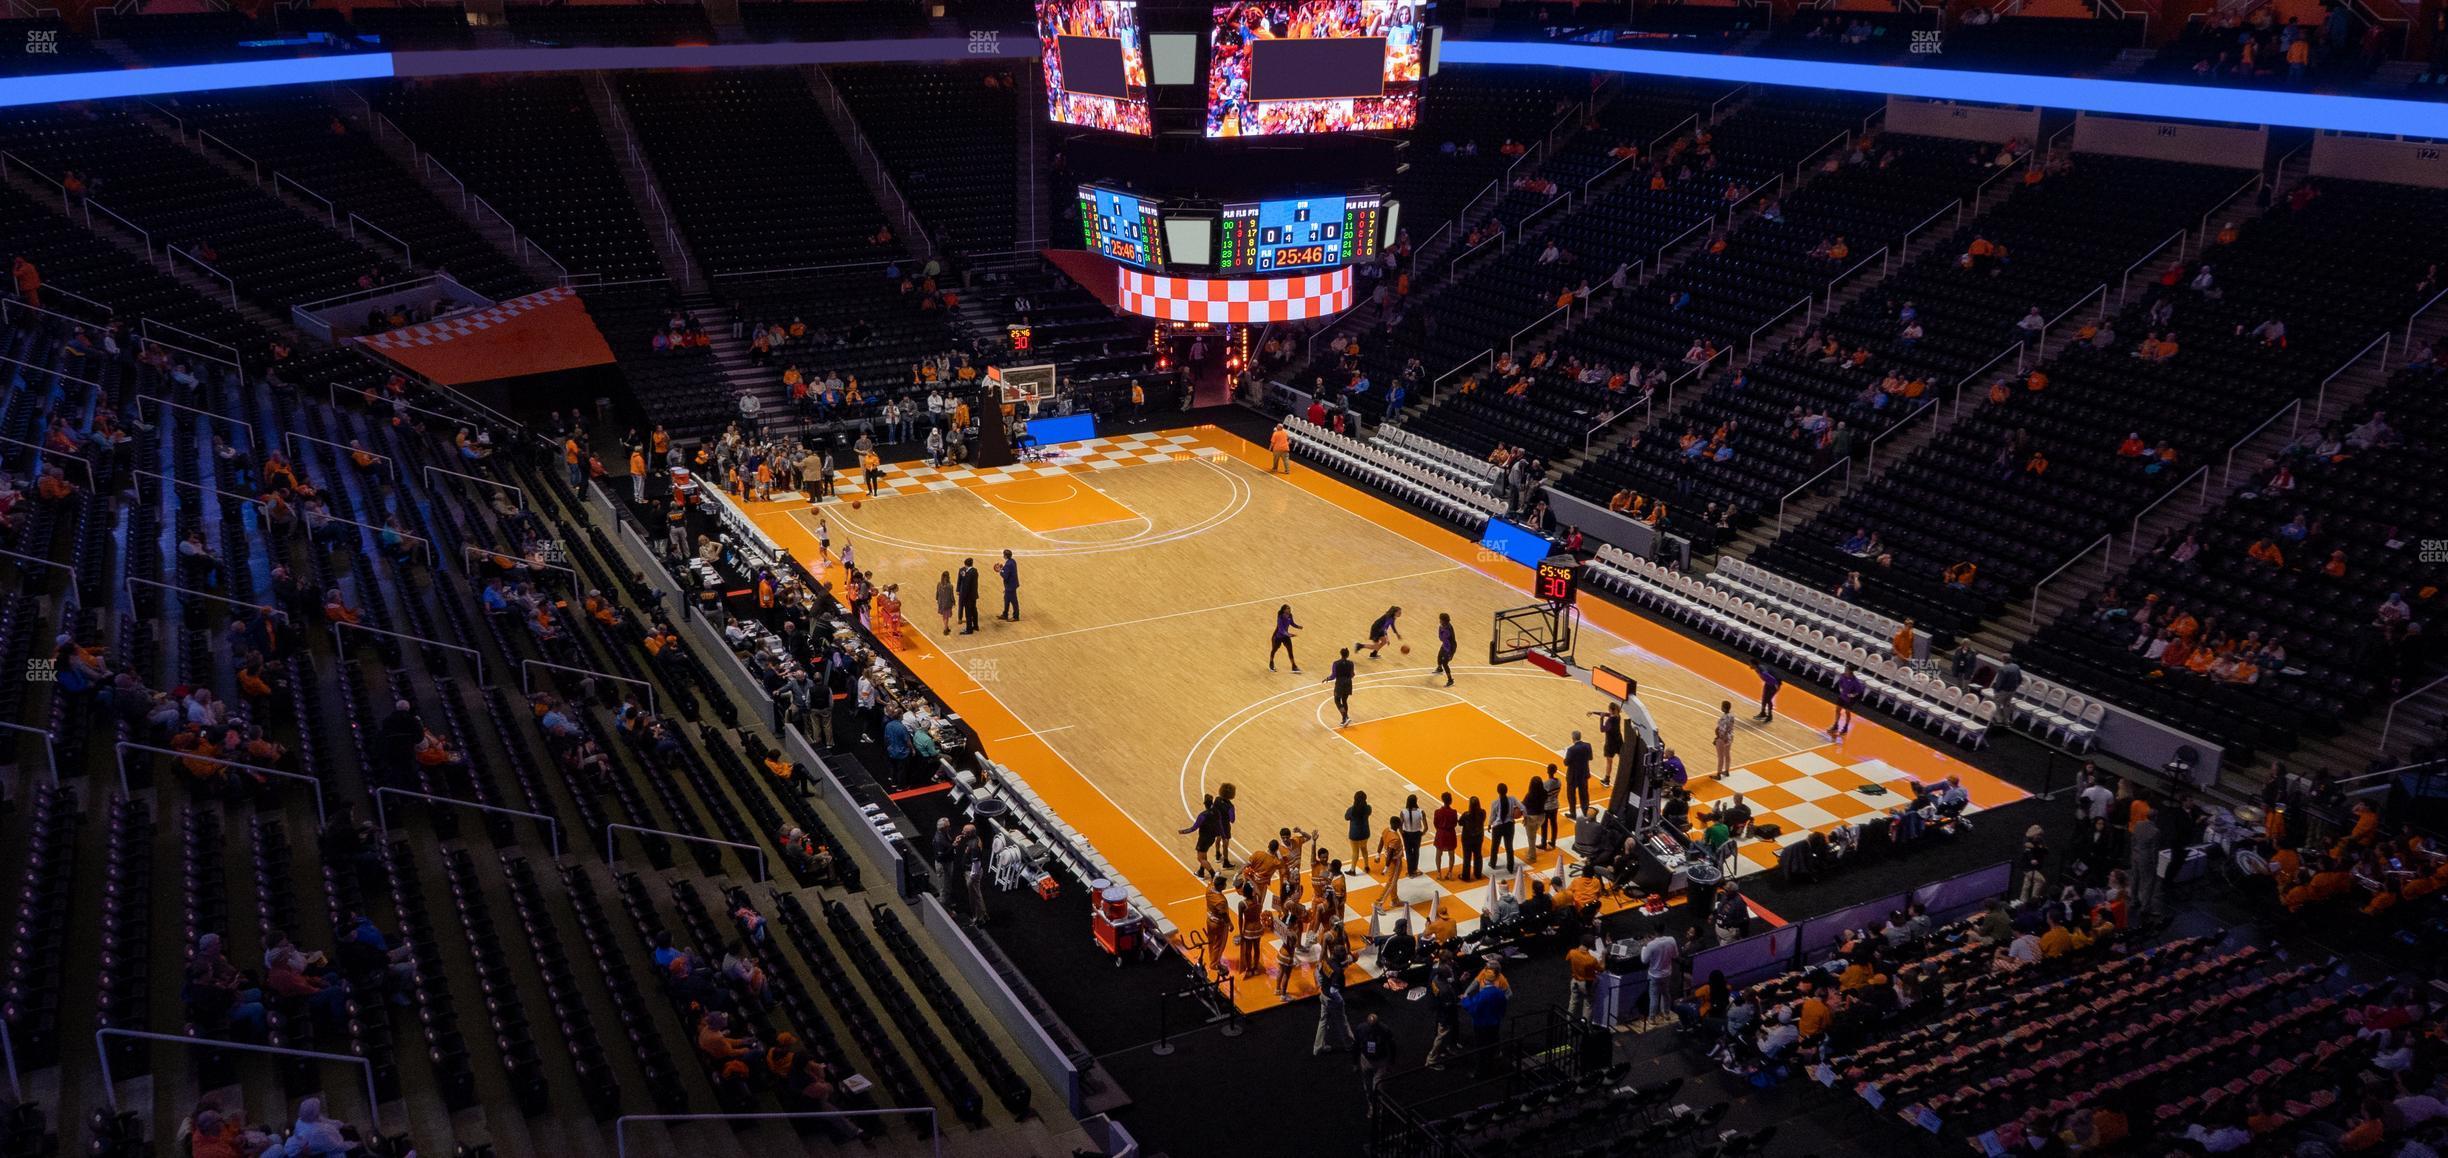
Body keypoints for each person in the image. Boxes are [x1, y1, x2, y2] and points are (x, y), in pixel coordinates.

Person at [1352, 1012, 1397, 1109]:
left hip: (1381, 1061)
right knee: (1368, 1087)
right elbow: (1356, 1046)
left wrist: (1391, 1062)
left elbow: (1392, 1046)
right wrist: (1355, 1062)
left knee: (1377, 1087)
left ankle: (1379, 1109)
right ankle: (1372, 1106)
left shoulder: (1384, 1030)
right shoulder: (1361, 1029)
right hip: (1366, 1060)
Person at [1639, 923, 1679, 1028]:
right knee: (1666, 993)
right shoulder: (1671, 940)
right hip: (1667, 973)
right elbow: (1675, 955)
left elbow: (1644, 960)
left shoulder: (1651, 945)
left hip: (1654, 975)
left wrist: (1644, 946)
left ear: (1654, 931)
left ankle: (1652, 1018)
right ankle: (1666, 1013)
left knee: (1654, 996)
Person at [1562, 731, 1595, 819]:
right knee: (1584, 794)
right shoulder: (1588, 745)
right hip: (1584, 774)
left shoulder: (1571, 749)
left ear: (1573, 738)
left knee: (1571, 795)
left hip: (1573, 776)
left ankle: (1573, 813)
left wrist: (1566, 756)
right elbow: (1590, 758)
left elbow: (1566, 762)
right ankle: (1585, 812)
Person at [1489, 783, 1520, 873]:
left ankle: (1493, 863)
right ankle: (1510, 866)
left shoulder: (1495, 803)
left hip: (1498, 827)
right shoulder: (1512, 800)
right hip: (1509, 826)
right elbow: (1520, 809)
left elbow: (1492, 816)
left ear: (1498, 791)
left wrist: (1490, 824)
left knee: (1494, 847)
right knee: (1509, 846)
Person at [1325, 647, 1357, 727]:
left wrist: (1327, 679)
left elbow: (1333, 676)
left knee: (1337, 700)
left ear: (1341, 654)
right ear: (1348, 655)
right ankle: (1344, 719)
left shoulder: (1336, 663)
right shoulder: (1351, 663)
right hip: (1348, 683)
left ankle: (1345, 717)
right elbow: (1352, 674)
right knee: (1344, 700)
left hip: (1340, 684)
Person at [1343, 790, 1373, 871]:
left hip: (1354, 834)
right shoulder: (1368, 808)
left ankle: (1352, 870)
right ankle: (1366, 866)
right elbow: (1369, 813)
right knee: (1364, 849)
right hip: (1365, 833)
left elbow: (1346, 817)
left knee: (1355, 852)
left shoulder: (1351, 810)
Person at [1398, 794, 1427, 876]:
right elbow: (1426, 827)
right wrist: (1422, 834)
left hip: (1406, 834)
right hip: (1417, 834)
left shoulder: (1403, 812)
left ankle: (1410, 871)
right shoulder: (1421, 812)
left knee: (1408, 853)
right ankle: (1414, 869)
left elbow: (1400, 825)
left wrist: (1402, 833)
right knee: (1416, 852)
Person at [1832, 664, 1865, 736]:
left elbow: (1859, 691)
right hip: (1842, 696)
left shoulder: (1855, 681)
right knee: (1837, 710)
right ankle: (1835, 725)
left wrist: (1853, 695)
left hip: (1849, 699)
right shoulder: (1843, 675)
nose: (1845, 670)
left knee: (1847, 712)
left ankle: (1845, 728)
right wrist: (1840, 688)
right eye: (1845, 669)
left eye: (1846, 669)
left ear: (1850, 671)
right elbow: (1840, 682)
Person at [1270, 604, 1303, 672]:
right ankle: (1271, 662)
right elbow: (1281, 630)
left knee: (1290, 651)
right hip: (1278, 637)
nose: (1289, 610)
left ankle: (1294, 666)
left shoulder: (1290, 615)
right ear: (1284, 610)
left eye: (1289, 608)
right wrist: (1289, 634)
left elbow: (1292, 623)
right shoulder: (1280, 618)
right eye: (1288, 608)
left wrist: (1298, 626)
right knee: (1274, 650)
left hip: (1286, 637)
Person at [955, 557, 981, 633]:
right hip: (974, 595)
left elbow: (966, 587)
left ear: (965, 564)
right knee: (974, 611)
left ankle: (969, 629)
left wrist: (963, 597)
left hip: (968, 597)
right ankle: (976, 626)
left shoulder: (968, 574)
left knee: (968, 613)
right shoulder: (975, 571)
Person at [994, 548, 1020, 621]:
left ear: (1005, 556)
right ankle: (1005, 614)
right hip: (1011, 585)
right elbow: (1009, 572)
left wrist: (1000, 570)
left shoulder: (1008, 564)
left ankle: (1016, 616)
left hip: (1010, 587)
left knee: (1014, 601)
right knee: (1006, 600)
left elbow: (1005, 576)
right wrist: (1003, 568)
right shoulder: (1012, 561)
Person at [1713, 700, 1736, 780]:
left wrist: (1718, 737)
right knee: (1727, 754)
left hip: (1723, 738)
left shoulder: (1724, 718)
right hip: (1730, 737)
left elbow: (1723, 730)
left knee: (1720, 756)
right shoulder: (1731, 716)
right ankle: (1726, 770)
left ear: (1724, 708)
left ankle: (1718, 774)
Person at [1434, 611, 1457, 687]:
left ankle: (1450, 680)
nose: (1439, 621)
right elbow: (1441, 638)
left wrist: (1450, 653)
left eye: (1440, 619)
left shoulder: (1447, 629)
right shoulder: (1444, 626)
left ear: (1444, 620)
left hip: (1450, 648)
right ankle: (1439, 668)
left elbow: (1441, 638)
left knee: (1445, 663)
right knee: (1439, 656)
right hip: (1445, 644)